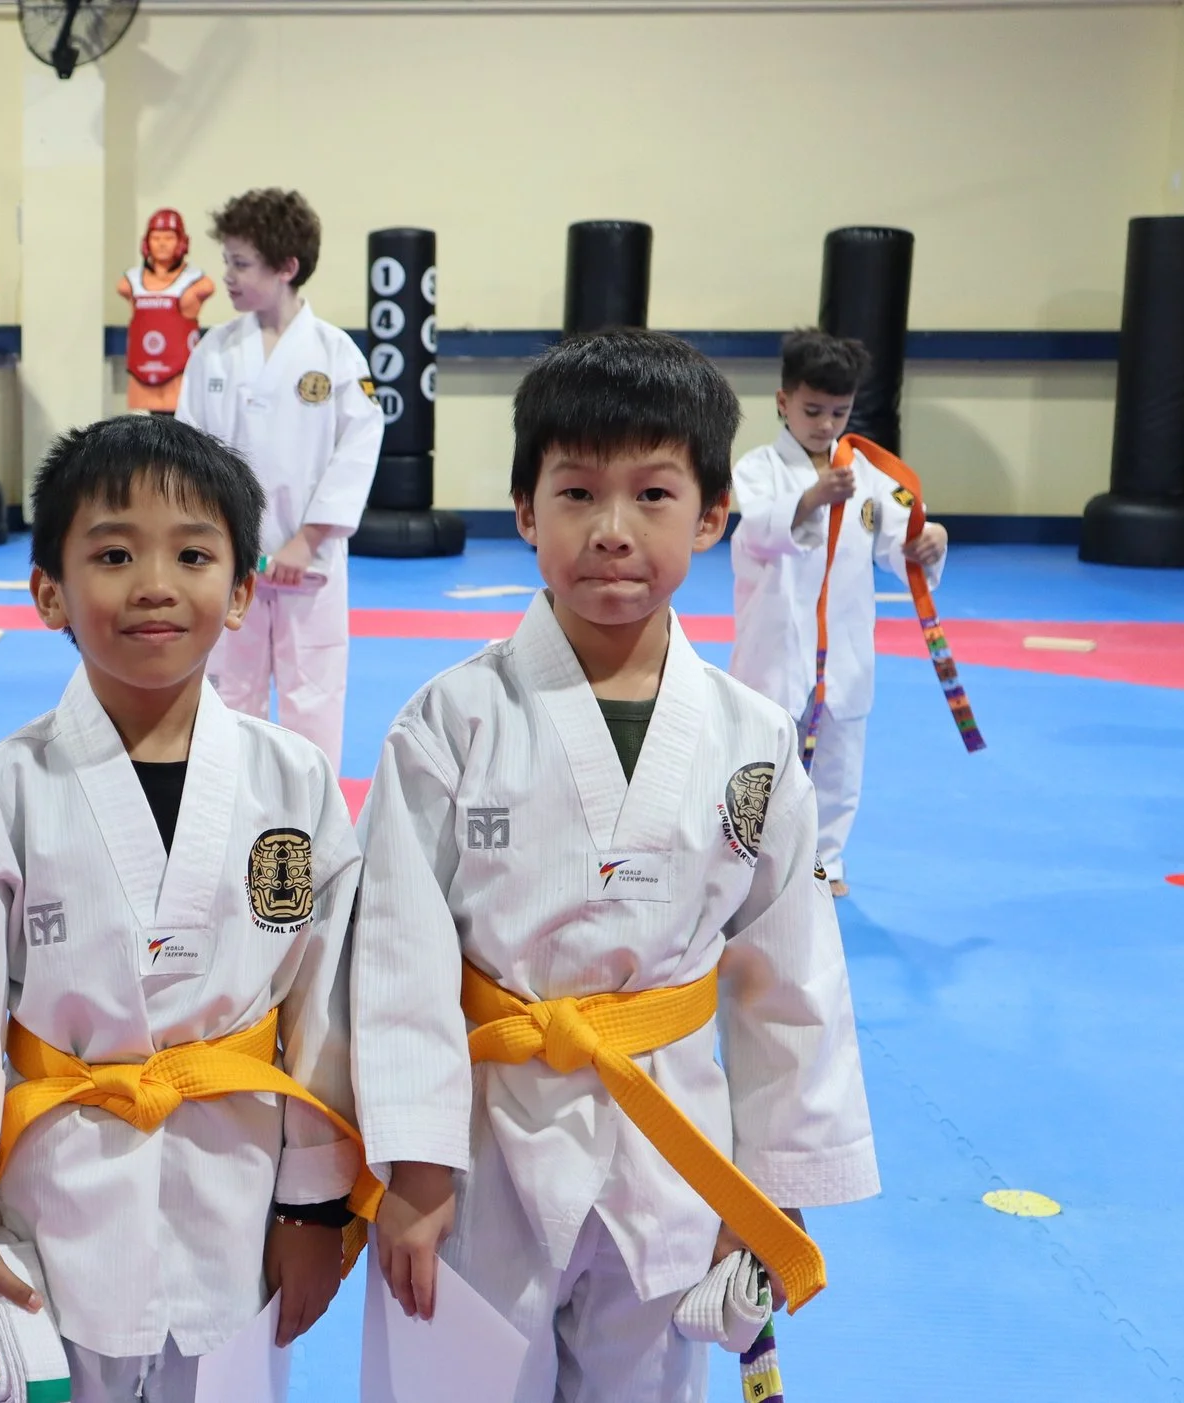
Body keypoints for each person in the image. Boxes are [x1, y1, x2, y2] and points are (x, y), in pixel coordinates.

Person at [352, 330, 879, 1403]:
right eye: (576, 491)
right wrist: (408, 1166)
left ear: (713, 513)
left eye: (650, 494)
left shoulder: (750, 735)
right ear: (522, 508)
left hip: (672, 1131)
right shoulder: (450, 723)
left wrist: (773, 1187)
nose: (610, 531)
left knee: (648, 1381)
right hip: (479, 1139)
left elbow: (791, 978)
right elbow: (396, 960)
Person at [0, 413, 371, 1403]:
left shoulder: (295, 784)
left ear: (241, 591)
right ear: (47, 591)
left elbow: (329, 1014)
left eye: (193, 553)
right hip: (49, 1208)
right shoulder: (1, 790)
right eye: (112, 553)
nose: (154, 583)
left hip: (235, 1201)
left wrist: (315, 1210)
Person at [726, 328, 949, 896]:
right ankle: (747, 860)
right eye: (812, 410)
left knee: (839, 758)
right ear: (783, 403)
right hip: (775, 637)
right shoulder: (758, 468)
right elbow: (757, 529)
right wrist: (810, 499)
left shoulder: (869, 475)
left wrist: (925, 544)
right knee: (764, 750)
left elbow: (896, 532)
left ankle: (825, 861)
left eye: (839, 412)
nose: (825, 424)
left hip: (844, 641)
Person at [177, 188, 380, 766]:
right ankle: (227, 812)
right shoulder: (212, 352)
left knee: (312, 696)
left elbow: (359, 447)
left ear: (286, 267)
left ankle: (312, 825)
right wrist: (210, 543)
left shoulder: (336, 354)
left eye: (241, 264)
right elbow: (191, 455)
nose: (228, 278)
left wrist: (307, 538)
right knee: (226, 694)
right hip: (228, 558)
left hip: (307, 563)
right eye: (228, 263)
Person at [117, 208, 215, 415]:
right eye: (156, 237)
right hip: (142, 373)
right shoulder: (130, 282)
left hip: (180, 374)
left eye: (169, 238)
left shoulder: (197, 282)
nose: (162, 243)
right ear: (146, 242)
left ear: (181, 241)